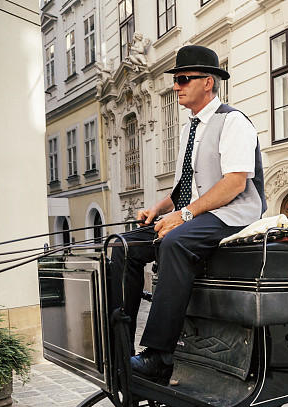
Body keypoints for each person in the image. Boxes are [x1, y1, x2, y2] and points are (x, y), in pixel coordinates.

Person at [109, 45, 266, 384]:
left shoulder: (233, 121)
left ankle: (159, 357)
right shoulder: (189, 129)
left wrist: (185, 216)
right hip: (199, 214)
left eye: (183, 79)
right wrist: (158, 209)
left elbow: (235, 183)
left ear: (208, 82)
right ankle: (118, 346)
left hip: (234, 215)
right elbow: (184, 187)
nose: (176, 86)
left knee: (175, 243)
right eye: (176, 79)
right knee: (123, 246)